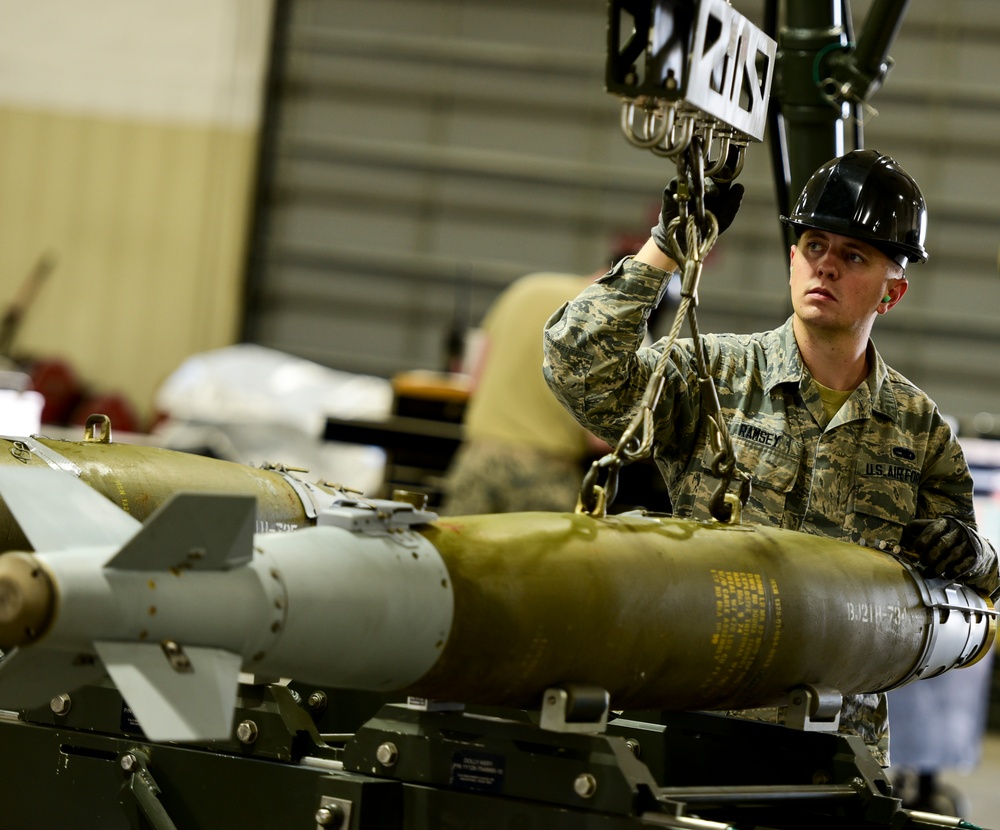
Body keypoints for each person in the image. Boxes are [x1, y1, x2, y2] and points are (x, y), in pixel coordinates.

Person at [541, 148, 1000, 766]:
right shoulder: (715, 375)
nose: (826, 268)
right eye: (814, 247)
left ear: (892, 293)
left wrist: (975, 555)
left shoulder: (919, 431)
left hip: (838, 747)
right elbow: (578, 368)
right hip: (697, 722)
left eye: (853, 256)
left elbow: (972, 589)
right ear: (791, 261)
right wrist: (665, 251)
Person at [439, 270, 608, 515]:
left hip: (477, 459)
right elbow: (602, 439)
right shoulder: (606, 313)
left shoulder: (524, 289)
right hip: (545, 475)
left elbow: (474, 381)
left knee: (458, 552)